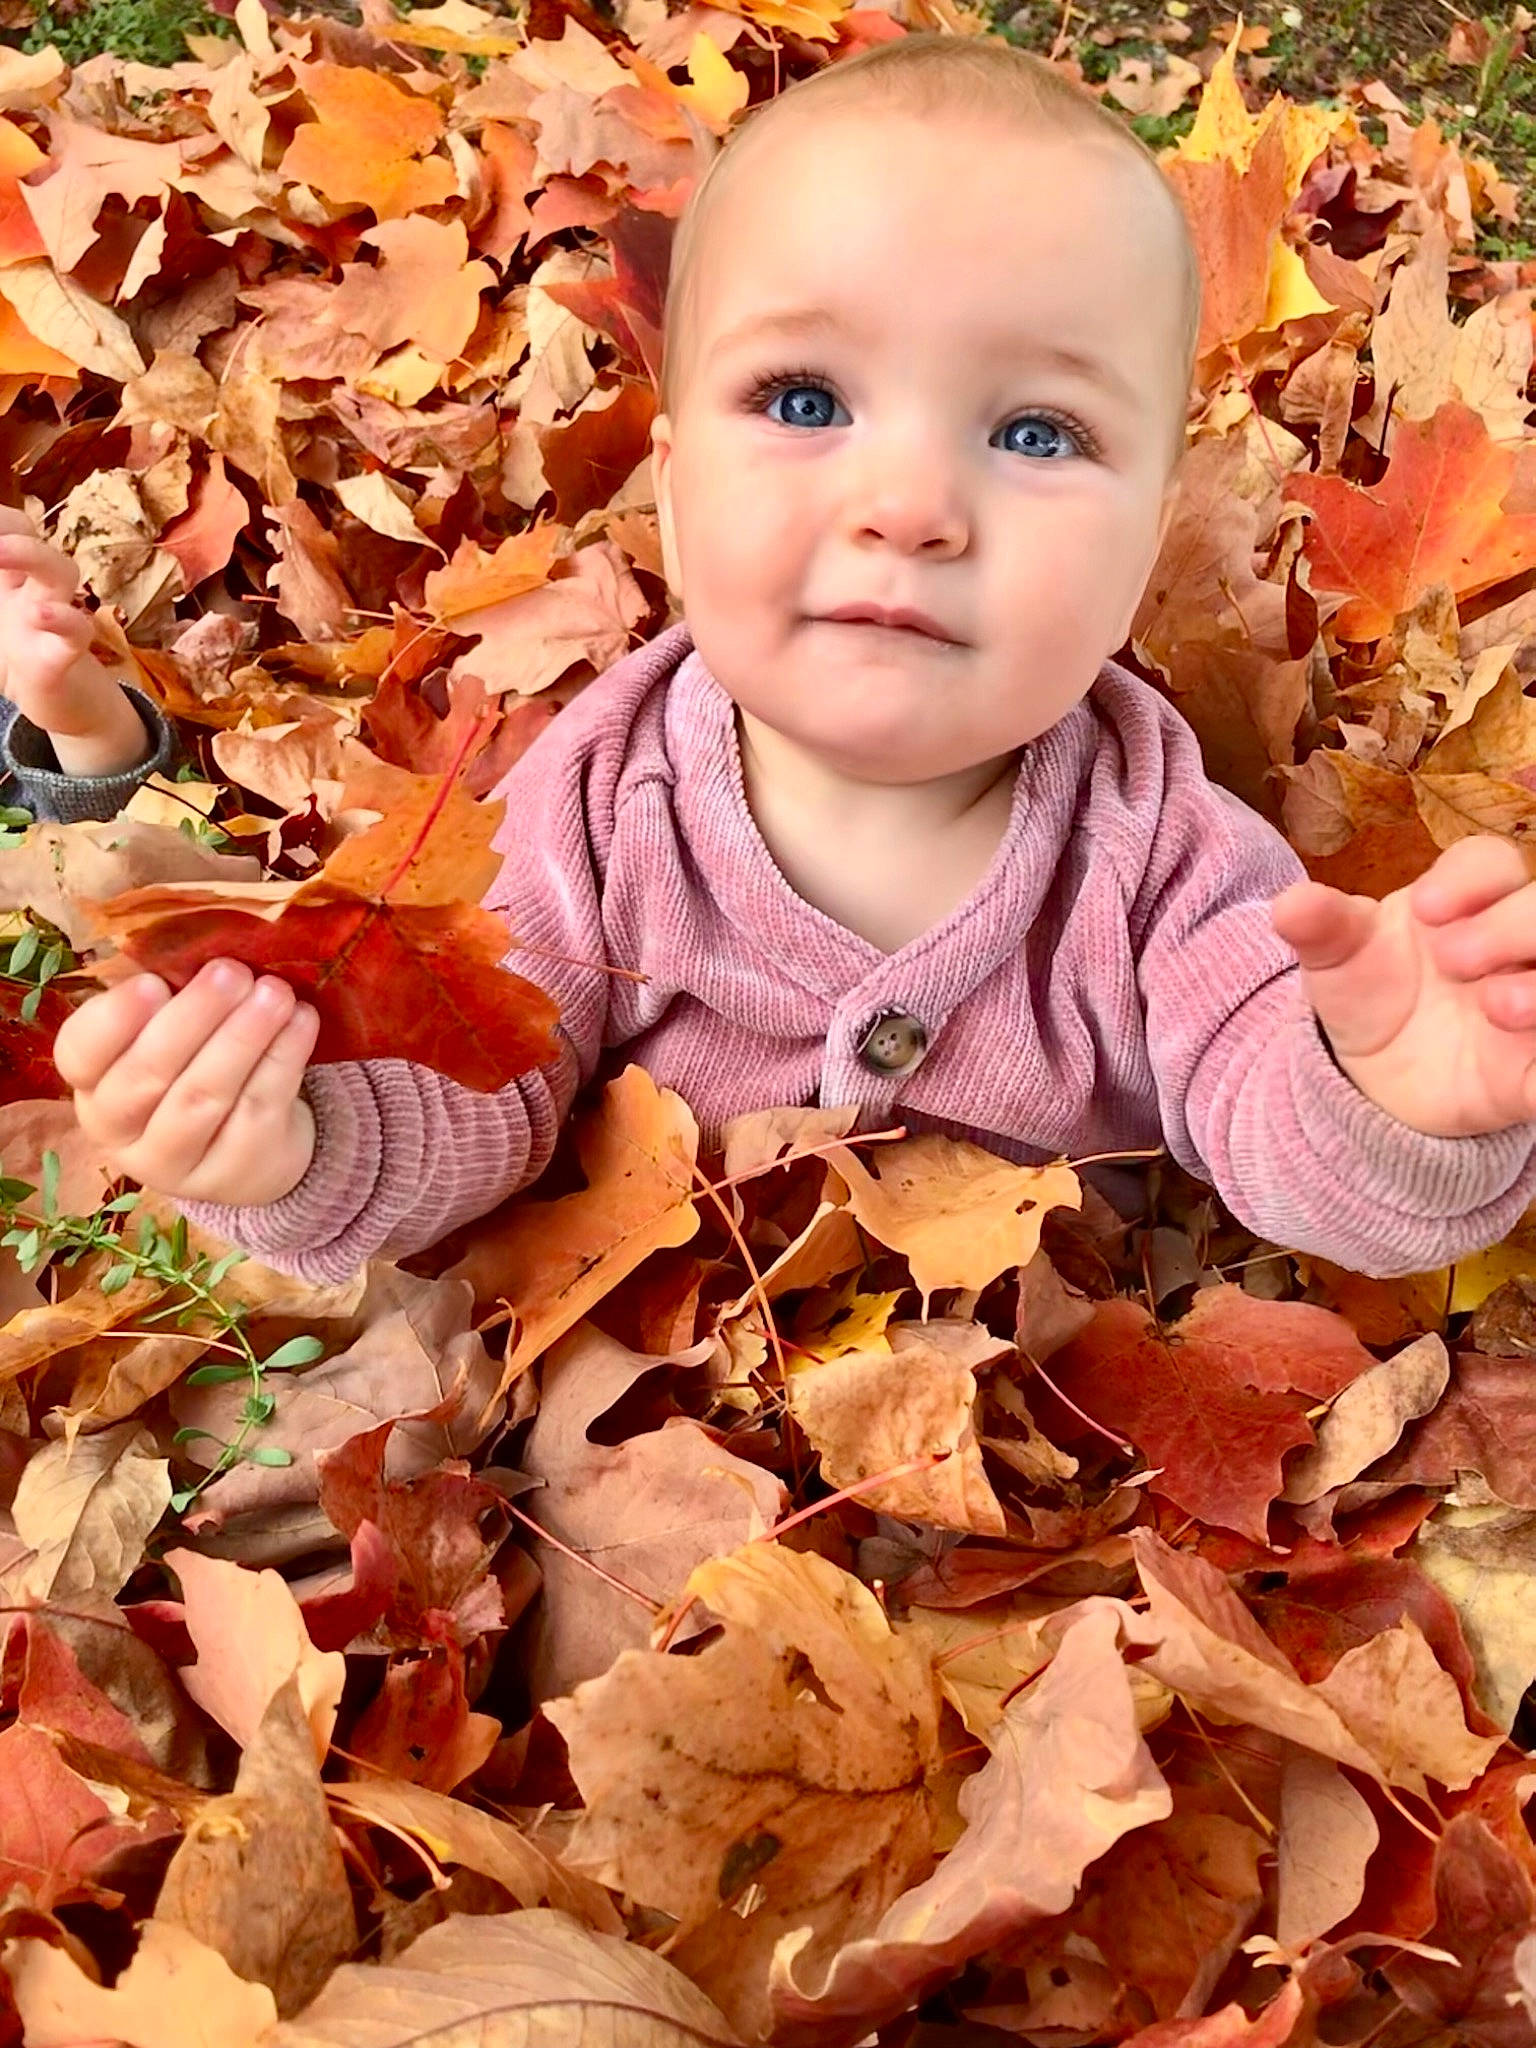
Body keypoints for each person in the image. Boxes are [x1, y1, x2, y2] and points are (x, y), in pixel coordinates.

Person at [26, 34, 1536, 1287]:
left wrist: (1393, 1099)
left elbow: (1268, 1126)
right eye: (808, 401)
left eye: (1035, 433)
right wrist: (295, 1149)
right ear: (674, 492)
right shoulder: (602, 808)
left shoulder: (1164, 856)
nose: (912, 508)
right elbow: (480, 1096)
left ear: (1148, 540)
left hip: (1041, 1520)